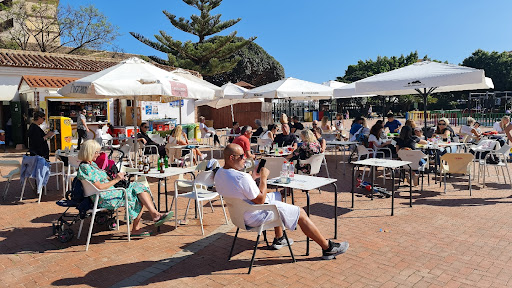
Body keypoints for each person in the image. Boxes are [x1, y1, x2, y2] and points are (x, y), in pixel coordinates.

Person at [214, 144, 349, 259]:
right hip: (254, 215)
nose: (246, 159)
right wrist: (263, 178)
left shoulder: (219, 173)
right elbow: (260, 200)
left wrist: (253, 177)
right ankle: (327, 247)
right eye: (242, 156)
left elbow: (240, 190)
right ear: (232, 158)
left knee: (277, 196)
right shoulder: (241, 177)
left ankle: (279, 238)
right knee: (300, 212)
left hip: (239, 215)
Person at [76, 140, 173, 236]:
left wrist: (116, 177)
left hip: (108, 193)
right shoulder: (86, 168)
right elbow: (100, 187)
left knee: (138, 188)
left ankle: (153, 216)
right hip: (105, 198)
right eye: (97, 152)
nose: (98, 155)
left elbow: (103, 179)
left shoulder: (91, 165)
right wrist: (117, 180)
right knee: (138, 191)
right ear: (90, 152)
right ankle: (147, 220)